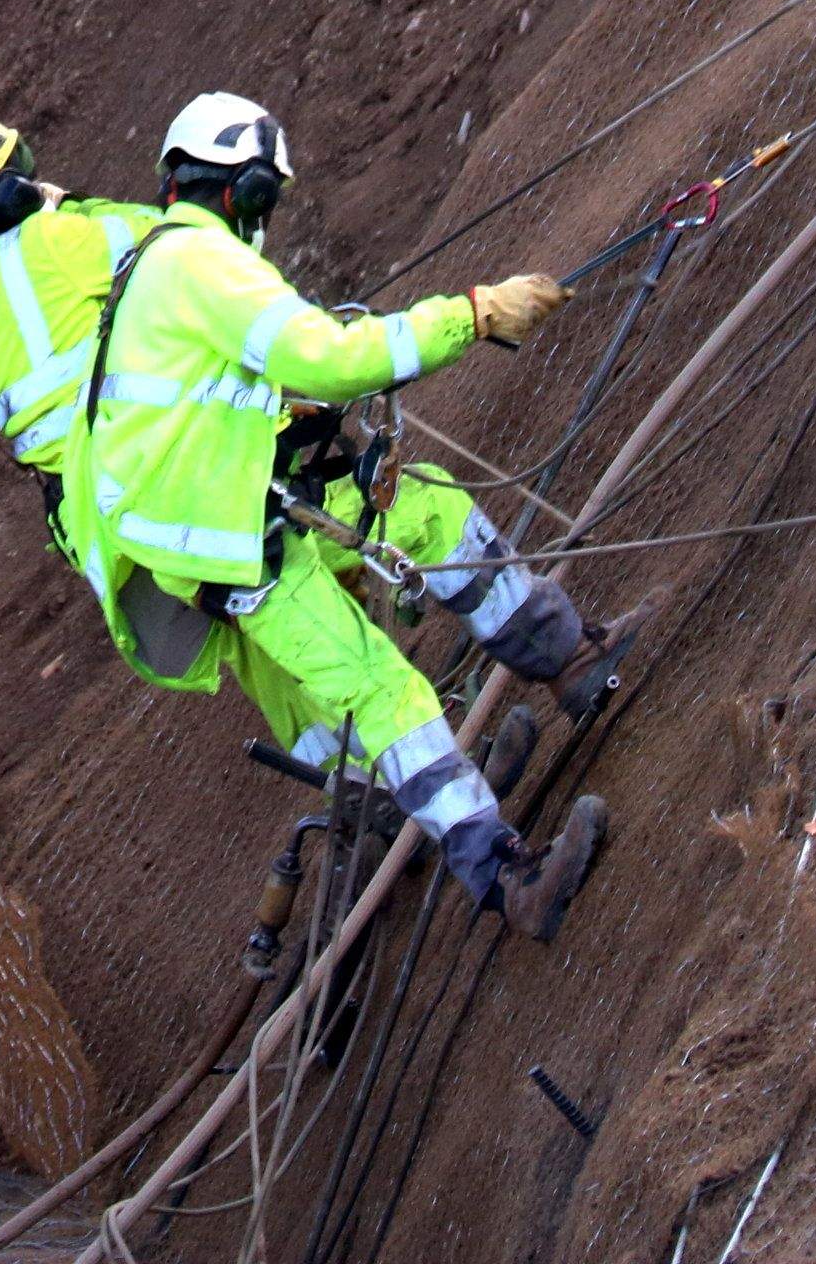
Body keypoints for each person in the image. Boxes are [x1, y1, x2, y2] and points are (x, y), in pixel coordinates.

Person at [70, 92, 622, 937]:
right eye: (266, 197)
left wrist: (280, 424)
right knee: (384, 693)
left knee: (427, 510)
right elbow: (330, 359)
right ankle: (507, 876)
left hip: (234, 513)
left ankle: (572, 662)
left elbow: (188, 410)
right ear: (243, 191)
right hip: (234, 554)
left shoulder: (155, 270)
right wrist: (471, 314)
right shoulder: (198, 264)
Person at [0, 113, 161, 527]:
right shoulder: (48, 240)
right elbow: (168, 235)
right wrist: (70, 205)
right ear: (7, 188)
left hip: (82, 515)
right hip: (141, 456)